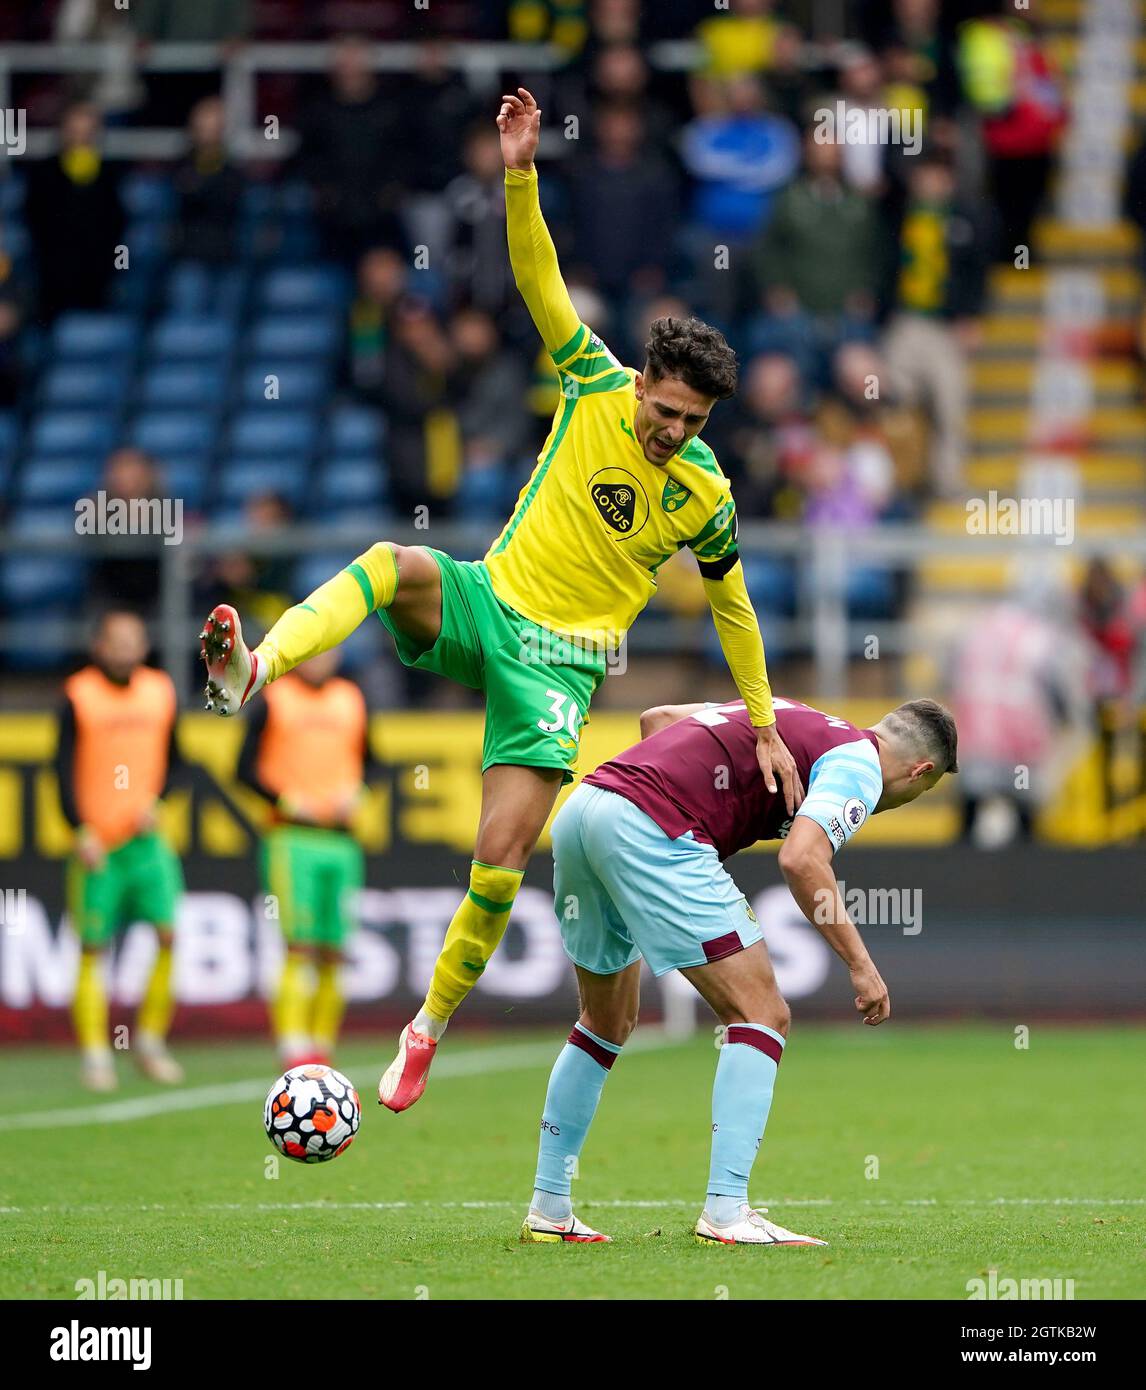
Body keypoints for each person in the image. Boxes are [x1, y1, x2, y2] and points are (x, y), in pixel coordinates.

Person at [199, 86, 801, 1116]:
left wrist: (763, 723)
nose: (670, 431)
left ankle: (423, 1028)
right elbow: (538, 279)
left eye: (690, 420)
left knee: (499, 859)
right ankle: (254, 669)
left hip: (560, 667)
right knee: (394, 560)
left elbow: (733, 608)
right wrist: (519, 175)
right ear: (643, 380)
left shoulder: (706, 490)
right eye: (663, 410)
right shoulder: (590, 383)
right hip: (488, 600)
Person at [522, 694, 958, 1245]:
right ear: (921, 772)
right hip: (654, 826)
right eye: (924, 790)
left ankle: (549, 1206)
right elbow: (802, 858)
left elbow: (654, 719)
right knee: (762, 1014)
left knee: (604, 1022)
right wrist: (861, 964)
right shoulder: (859, 764)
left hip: (588, 808)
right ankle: (727, 1212)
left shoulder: (789, 712)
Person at [57, 610, 186, 1092]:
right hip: (99, 845)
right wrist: (79, 828)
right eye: (117, 641)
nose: (126, 649)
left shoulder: (160, 690)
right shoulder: (79, 695)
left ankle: (149, 1043)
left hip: (147, 841)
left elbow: (178, 761)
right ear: (99, 646)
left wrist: (158, 800)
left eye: (134, 640)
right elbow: (60, 767)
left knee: (169, 934)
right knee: (94, 947)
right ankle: (96, 1055)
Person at [235, 650, 367, 1068]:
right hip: (292, 838)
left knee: (334, 949)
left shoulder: (351, 698)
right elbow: (241, 770)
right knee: (301, 946)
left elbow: (375, 761)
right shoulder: (274, 700)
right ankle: (292, 1046)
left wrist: (358, 792)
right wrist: (286, 800)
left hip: (342, 842)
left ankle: (321, 1048)